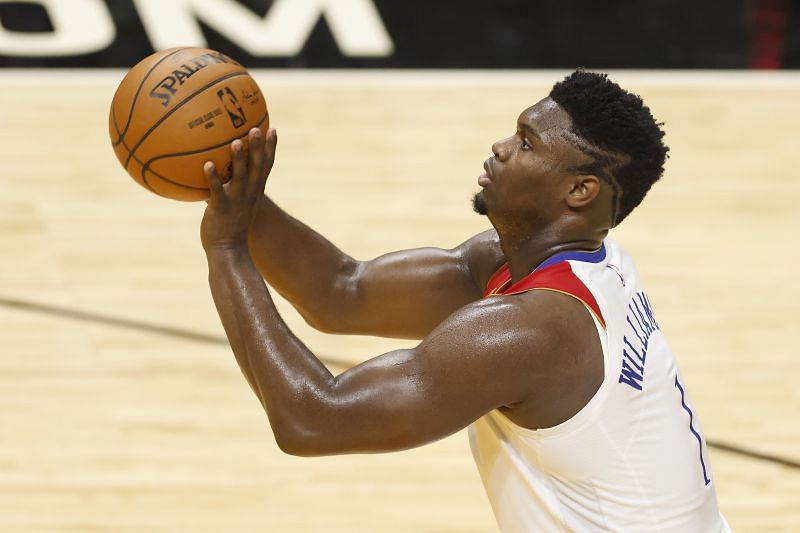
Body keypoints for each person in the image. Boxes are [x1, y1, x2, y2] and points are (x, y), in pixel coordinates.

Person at [199, 70, 729, 532]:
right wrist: (233, 187)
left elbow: (313, 419)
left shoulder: (535, 331)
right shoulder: (557, 263)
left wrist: (226, 249)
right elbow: (342, 292)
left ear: (580, 191)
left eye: (526, 143)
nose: (500, 146)